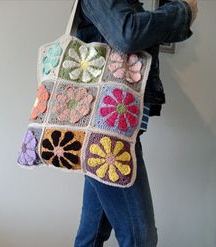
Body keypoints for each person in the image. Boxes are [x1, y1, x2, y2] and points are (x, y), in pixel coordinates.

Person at [73, 0, 198, 246]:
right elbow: (127, 33)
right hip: (108, 132)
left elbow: (133, 31)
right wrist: (182, 10)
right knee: (140, 238)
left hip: (109, 126)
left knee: (92, 234)